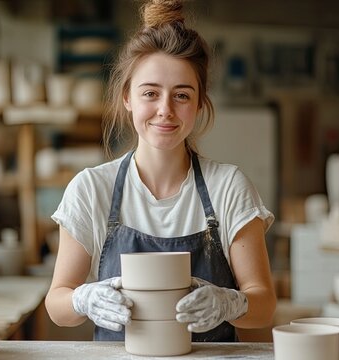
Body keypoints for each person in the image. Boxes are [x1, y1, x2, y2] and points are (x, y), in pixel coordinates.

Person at [45, 0, 276, 342]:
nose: (165, 110)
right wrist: (83, 298)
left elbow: (265, 305)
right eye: (150, 93)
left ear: (199, 104)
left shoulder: (228, 187)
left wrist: (231, 303)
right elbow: (57, 305)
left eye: (181, 96)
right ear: (127, 97)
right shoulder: (92, 188)